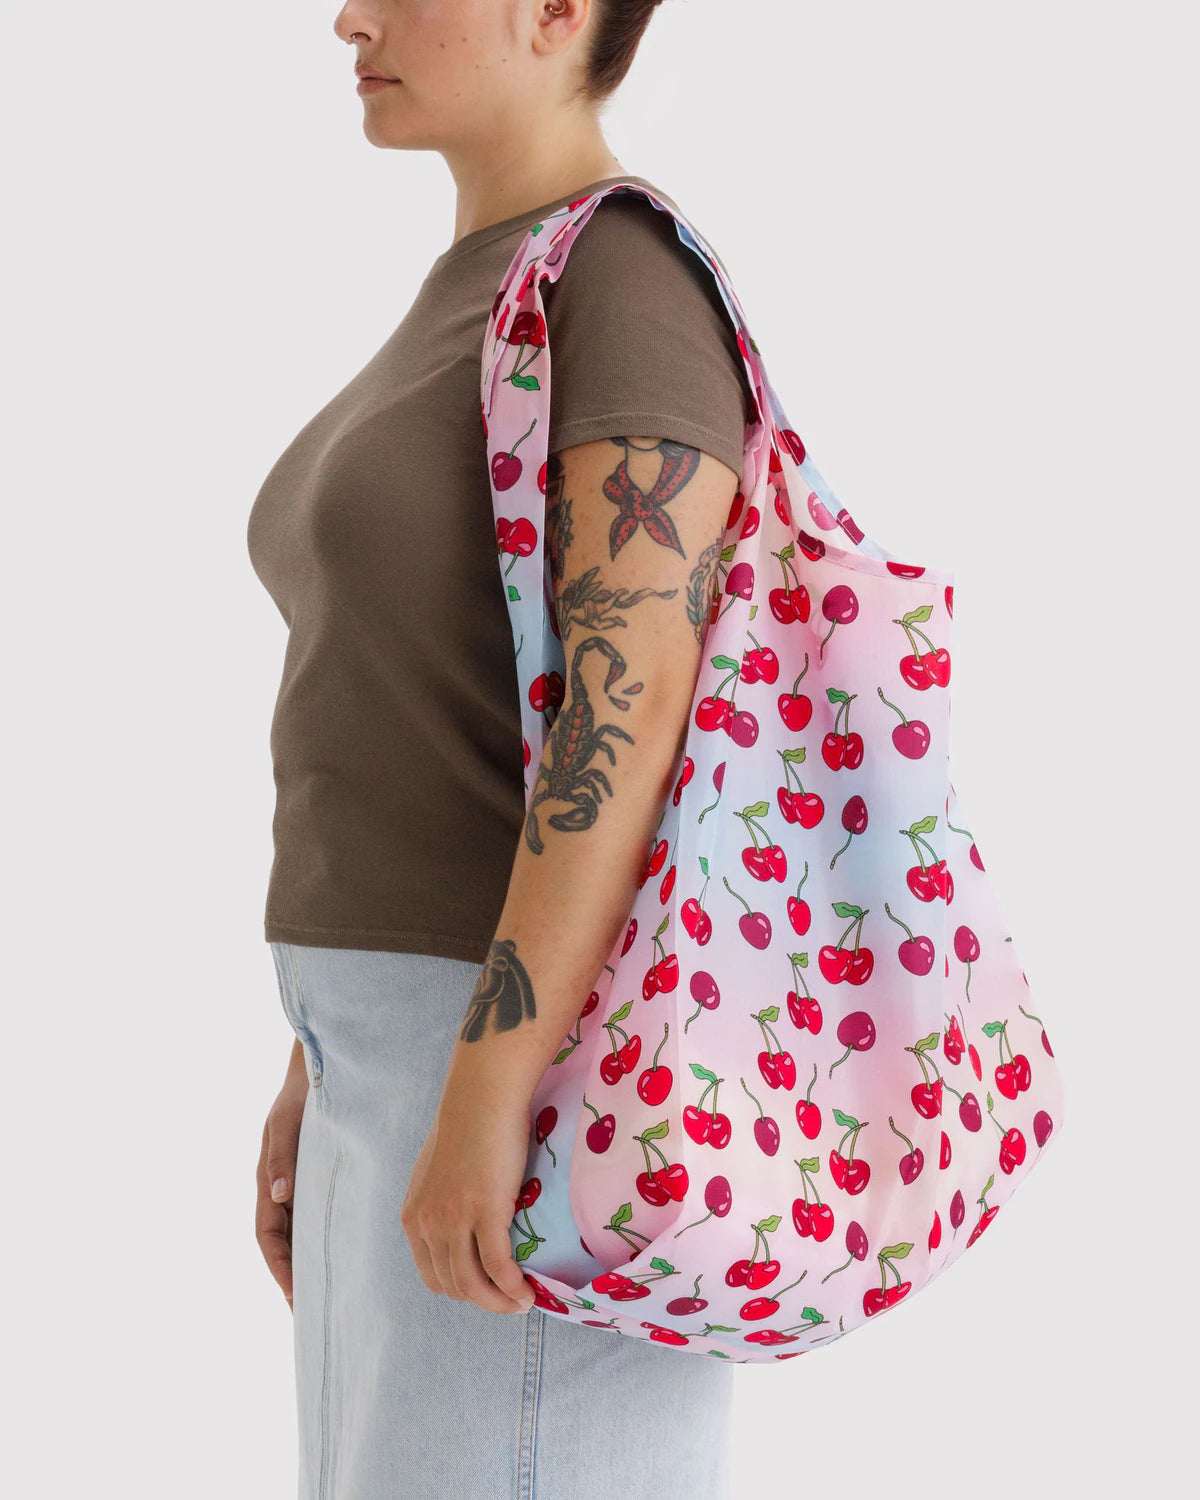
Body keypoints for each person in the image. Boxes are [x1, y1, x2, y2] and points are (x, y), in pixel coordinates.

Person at [247, 2, 757, 1495]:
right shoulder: (489, 285)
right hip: (405, 1054)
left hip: (529, 1071)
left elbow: (629, 706)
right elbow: (446, 710)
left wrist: (488, 1089)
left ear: (558, 9)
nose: (350, 15)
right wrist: (319, 1061)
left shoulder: (621, 281)